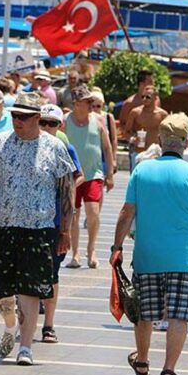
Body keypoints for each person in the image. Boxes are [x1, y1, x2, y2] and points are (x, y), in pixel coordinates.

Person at [111, 113, 188, 375]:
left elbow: (127, 213)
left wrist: (117, 247)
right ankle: (169, 368)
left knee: (145, 313)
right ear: (185, 142)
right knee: (179, 315)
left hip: (148, 257)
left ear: (160, 140)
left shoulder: (142, 170)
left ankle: (142, 360)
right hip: (185, 260)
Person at [0, 92, 75, 365]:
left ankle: (25, 347)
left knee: (30, 289)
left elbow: (66, 191)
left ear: (37, 119)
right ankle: (9, 324)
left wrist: (65, 231)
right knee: (1, 289)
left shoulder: (54, 147)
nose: (17, 120)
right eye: (15, 115)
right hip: (2, 226)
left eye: (24, 117)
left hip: (38, 228)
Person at [38, 104, 84, 343]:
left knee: (52, 272)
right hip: (29, 222)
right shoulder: (27, 146)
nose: (46, 128)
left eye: (51, 123)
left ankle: (48, 325)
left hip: (55, 221)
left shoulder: (65, 148)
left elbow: (78, 175)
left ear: (60, 125)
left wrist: (65, 190)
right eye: (42, 122)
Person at [64, 85, 115, 269]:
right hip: (72, 176)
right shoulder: (65, 121)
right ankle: (75, 253)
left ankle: (91, 249)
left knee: (93, 212)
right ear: (77, 104)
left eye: (90, 101)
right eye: (87, 102)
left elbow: (107, 148)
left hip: (94, 174)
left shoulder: (98, 120)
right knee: (74, 216)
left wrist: (110, 174)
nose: (91, 104)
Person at [125, 85, 168, 154]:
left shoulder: (162, 114)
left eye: (148, 97)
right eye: (143, 96)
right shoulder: (135, 112)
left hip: (155, 153)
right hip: (138, 152)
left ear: (155, 98)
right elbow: (126, 132)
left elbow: (167, 133)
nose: (144, 99)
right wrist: (132, 139)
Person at [118, 70, 161, 136]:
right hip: (136, 141)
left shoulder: (156, 100)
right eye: (150, 82)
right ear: (141, 84)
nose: (153, 85)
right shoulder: (129, 103)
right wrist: (132, 138)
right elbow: (122, 124)